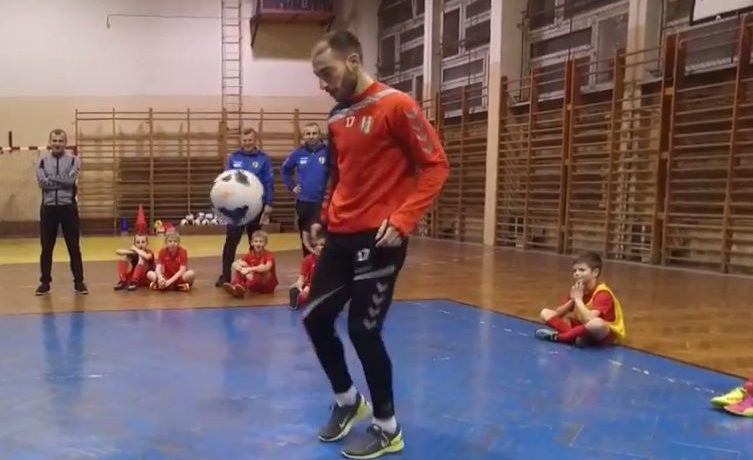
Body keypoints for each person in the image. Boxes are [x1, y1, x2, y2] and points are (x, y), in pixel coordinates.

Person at [303, 30, 449, 459]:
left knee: (362, 331)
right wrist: (323, 218)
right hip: (340, 237)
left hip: (380, 239)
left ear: (353, 61)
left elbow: (436, 165)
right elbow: (338, 175)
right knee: (315, 318)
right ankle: (348, 400)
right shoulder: (335, 118)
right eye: (318, 76)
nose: (323, 84)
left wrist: (403, 220)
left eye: (327, 73)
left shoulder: (397, 106)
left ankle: (387, 427)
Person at [215, 128, 274, 287]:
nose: (247, 143)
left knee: (255, 242)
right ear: (241, 141)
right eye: (245, 140)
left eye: (250, 140)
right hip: (236, 207)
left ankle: (254, 275)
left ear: (255, 140)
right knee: (231, 241)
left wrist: (269, 203)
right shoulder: (233, 157)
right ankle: (225, 276)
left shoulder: (263, 159)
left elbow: (268, 182)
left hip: (256, 206)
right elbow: (227, 180)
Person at [534, 251, 626, 347]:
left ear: (595, 272)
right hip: (583, 328)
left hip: (605, 333)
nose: (577, 274)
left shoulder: (603, 293)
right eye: (575, 271)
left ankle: (561, 337)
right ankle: (578, 337)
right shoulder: (577, 289)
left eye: (582, 270)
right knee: (545, 313)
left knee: (597, 323)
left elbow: (590, 319)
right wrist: (572, 300)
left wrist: (578, 299)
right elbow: (558, 313)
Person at [35, 129, 87, 296]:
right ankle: (45, 283)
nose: (57, 144)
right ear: (50, 142)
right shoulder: (42, 161)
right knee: (46, 248)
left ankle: (79, 282)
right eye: (54, 141)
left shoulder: (73, 160)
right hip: (48, 209)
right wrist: (62, 181)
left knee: (73, 246)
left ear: (65, 143)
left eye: (60, 141)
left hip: (68, 209)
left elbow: (71, 181)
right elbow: (42, 183)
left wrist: (52, 178)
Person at [281, 122, 329, 255]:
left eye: (314, 133)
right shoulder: (298, 153)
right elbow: (285, 170)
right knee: (305, 236)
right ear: (303, 136)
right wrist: (292, 186)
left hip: (323, 202)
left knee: (322, 235)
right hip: (304, 202)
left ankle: (323, 264)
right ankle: (308, 263)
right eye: (308, 133)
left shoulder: (328, 152)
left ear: (320, 135)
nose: (311, 136)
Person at [223, 230, 278, 297]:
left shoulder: (269, 255)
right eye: (256, 241)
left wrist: (249, 270)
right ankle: (236, 287)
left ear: (265, 243)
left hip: (267, 286)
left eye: (261, 241)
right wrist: (239, 267)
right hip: (254, 283)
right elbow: (235, 263)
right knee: (241, 266)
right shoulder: (250, 254)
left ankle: (241, 288)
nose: (258, 244)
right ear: (252, 243)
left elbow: (266, 267)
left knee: (258, 269)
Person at [289, 234, 326, 310]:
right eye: (316, 245)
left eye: (322, 245)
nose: (319, 247)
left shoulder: (329, 260)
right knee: (294, 289)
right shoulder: (308, 259)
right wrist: (299, 285)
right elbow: (302, 276)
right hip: (309, 285)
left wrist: (310, 286)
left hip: (324, 286)